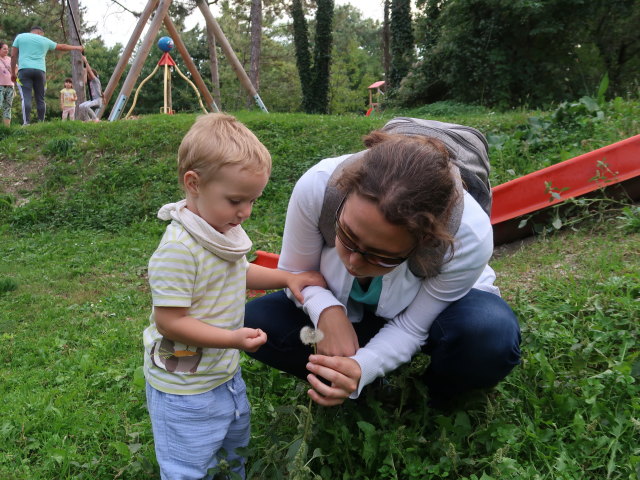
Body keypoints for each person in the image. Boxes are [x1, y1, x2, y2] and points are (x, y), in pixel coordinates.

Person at [245, 126, 522, 409]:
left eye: (382, 256)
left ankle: (432, 396)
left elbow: (413, 327)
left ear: (424, 242)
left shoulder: (469, 237)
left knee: (488, 335)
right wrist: (326, 310)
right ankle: (363, 388)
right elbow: (294, 274)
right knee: (258, 320)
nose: (354, 262)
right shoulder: (317, 186)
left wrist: (366, 365)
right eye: (347, 236)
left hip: (433, 319)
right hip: (353, 313)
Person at [143, 113, 326, 480]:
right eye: (235, 200)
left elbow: (239, 270)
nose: (244, 212)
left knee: (234, 448)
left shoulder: (218, 231)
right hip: (184, 386)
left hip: (222, 373)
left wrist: (286, 278)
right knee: (188, 464)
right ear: (193, 183)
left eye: (252, 201)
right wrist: (231, 338)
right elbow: (170, 321)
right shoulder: (180, 249)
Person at [10, 26, 83, 124]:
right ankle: (41, 123)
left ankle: (26, 123)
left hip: (24, 70)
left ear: (32, 31)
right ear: (40, 33)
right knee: (40, 99)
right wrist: (78, 47)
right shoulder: (45, 40)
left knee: (26, 97)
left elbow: (13, 55)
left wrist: (13, 73)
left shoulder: (20, 37)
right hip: (40, 72)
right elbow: (62, 47)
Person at [77, 56, 101, 122]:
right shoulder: (90, 82)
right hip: (92, 100)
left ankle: (95, 118)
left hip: (97, 100)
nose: (89, 76)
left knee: (86, 106)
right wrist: (85, 72)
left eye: (89, 75)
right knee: (81, 106)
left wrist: (85, 61)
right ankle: (87, 119)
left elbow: (90, 71)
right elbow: (84, 81)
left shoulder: (96, 81)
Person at [0, 41, 16, 127]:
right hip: (0, 86)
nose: (6, 50)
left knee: (8, 107)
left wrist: (14, 88)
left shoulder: (10, 59)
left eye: (7, 49)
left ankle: (6, 128)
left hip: (10, 86)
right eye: (4, 49)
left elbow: (16, 69)